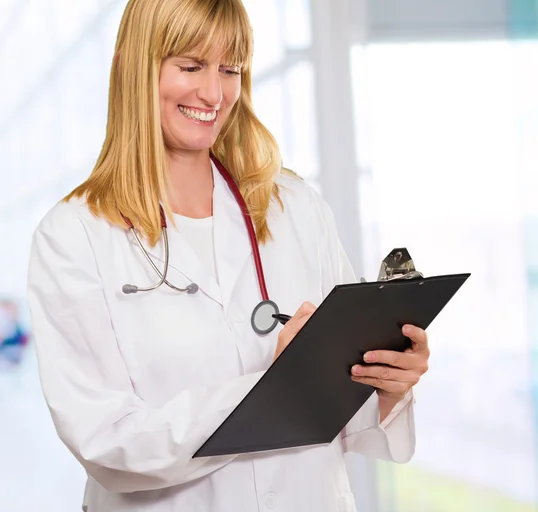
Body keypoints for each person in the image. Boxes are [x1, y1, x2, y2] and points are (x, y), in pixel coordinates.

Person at [26, 0, 430, 510]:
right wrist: (274, 388)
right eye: (190, 66)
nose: (213, 93)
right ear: (134, 65)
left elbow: (348, 416)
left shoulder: (294, 208)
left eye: (230, 69)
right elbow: (107, 443)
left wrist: (388, 383)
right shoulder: (74, 236)